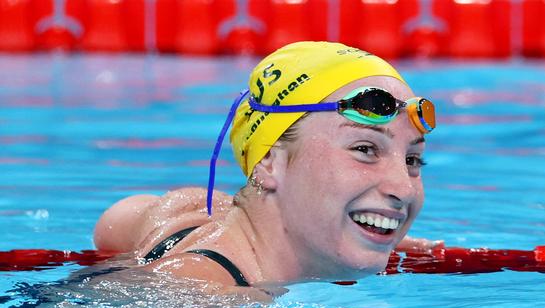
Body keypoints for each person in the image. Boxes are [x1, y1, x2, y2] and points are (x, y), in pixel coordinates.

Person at [93, 41, 436, 290]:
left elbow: (116, 219)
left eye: (412, 160)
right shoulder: (205, 297)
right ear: (269, 161)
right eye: (364, 149)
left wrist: (353, 228)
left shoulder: (185, 212)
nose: (403, 187)